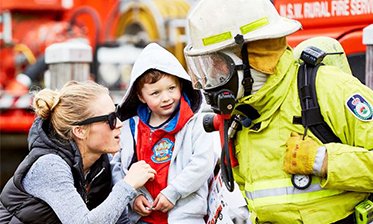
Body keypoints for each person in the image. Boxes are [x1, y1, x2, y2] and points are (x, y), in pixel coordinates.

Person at [184, 0, 373, 223]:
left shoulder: (327, 88)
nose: (212, 78)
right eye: (207, 66)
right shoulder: (242, 115)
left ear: (253, 57)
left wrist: (323, 160)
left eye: (217, 64)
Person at [0, 80, 156, 223]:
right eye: (110, 119)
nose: (120, 124)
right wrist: (128, 185)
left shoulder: (102, 162)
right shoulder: (50, 166)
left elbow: (119, 220)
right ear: (80, 131)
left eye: (117, 114)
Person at [111, 43, 216, 224]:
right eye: (155, 93)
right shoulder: (130, 128)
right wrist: (132, 197)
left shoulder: (195, 125)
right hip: (141, 219)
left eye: (171, 88)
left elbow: (203, 164)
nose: (166, 98)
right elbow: (118, 167)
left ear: (181, 85)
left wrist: (173, 192)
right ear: (141, 96)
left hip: (185, 219)